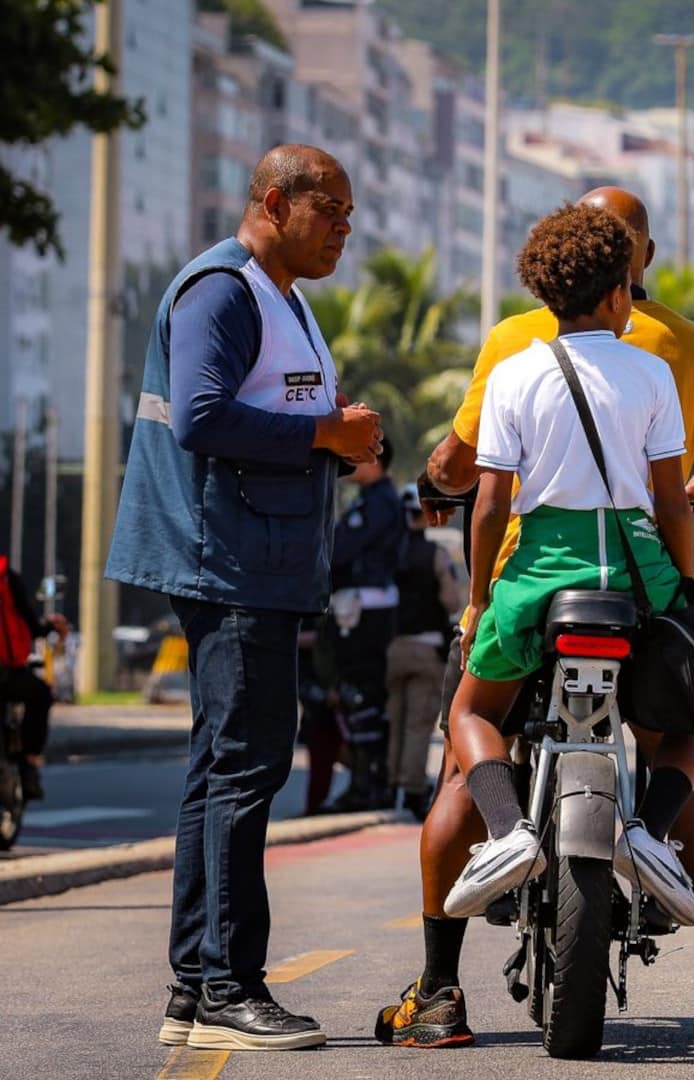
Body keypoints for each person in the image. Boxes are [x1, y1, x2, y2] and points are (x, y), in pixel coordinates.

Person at [386, 187, 694, 1046]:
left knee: (469, 726)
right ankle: (680, 889)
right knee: (692, 735)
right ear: (627, 279)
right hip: (634, 574)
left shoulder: (513, 357)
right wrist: (681, 583)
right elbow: (679, 497)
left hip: (535, 575)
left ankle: (457, 951)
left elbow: (483, 498)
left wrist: (484, 594)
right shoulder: (674, 358)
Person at [106, 145, 381, 1051]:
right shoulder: (221, 290)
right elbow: (200, 416)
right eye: (331, 210)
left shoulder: (284, 299)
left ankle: (194, 987)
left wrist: (339, 436)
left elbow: (283, 409)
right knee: (247, 769)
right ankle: (230, 986)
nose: (346, 227)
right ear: (274, 202)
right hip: (228, 564)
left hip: (259, 561)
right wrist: (323, 434)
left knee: (223, 769)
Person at [319, 440, 407, 811]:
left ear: (375, 460)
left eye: (357, 457)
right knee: (358, 694)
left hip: (365, 606)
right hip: (360, 602)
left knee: (362, 694)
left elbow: (343, 550)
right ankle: (365, 783)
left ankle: (368, 785)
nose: (350, 465)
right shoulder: (373, 499)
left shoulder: (380, 502)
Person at [386, 485, 463, 820]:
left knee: (395, 720)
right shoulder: (435, 555)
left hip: (392, 648)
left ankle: (389, 785)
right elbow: (451, 602)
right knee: (418, 725)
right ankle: (413, 787)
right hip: (426, 647)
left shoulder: (388, 552)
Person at [0, 554, 66, 801]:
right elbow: (33, 625)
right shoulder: (6, 577)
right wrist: (52, 625)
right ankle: (28, 764)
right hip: (6, 675)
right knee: (41, 694)